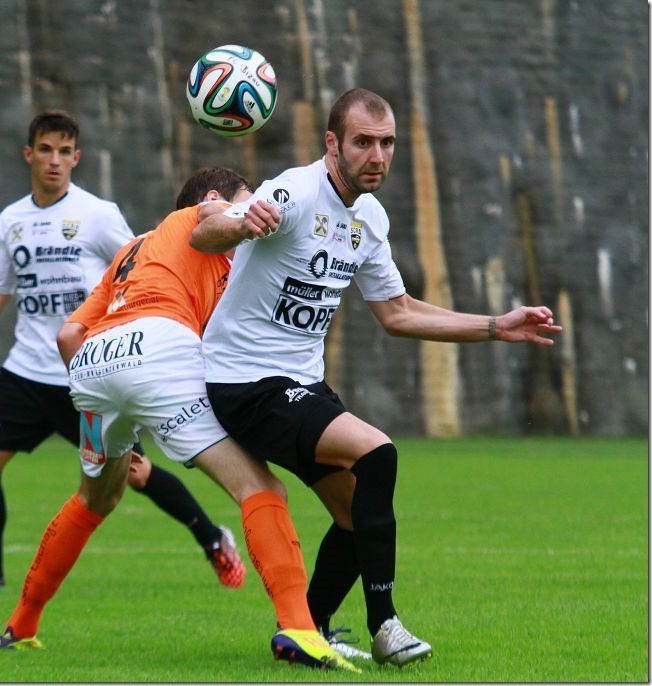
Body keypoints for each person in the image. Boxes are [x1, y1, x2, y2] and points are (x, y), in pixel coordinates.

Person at [191, 87, 563, 666]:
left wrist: (497, 326)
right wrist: (240, 225)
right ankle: (384, 624)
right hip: (245, 382)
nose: (378, 156)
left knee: (353, 513)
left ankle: (305, 633)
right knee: (378, 453)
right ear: (332, 143)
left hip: (298, 385)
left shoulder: (369, 217)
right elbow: (202, 232)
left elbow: (398, 313)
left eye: (387, 143)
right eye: (363, 142)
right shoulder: (294, 191)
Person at [0, 167, 360, 673]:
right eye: (246, 200)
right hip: (161, 349)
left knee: (95, 499)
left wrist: (110, 403)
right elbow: (218, 220)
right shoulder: (204, 220)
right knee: (261, 489)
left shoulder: (132, 250)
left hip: (94, 362)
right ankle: (299, 630)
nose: (252, 211)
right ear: (213, 200)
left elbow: (68, 335)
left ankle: (19, 628)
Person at [0, 111, 245, 592]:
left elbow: (145, 260)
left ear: (76, 158)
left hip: (90, 367)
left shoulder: (97, 214)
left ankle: (212, 538)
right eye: (45, 150)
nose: (54, 161)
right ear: (29, 154)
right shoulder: (11, 220)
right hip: (27, 370)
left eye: (64, 151)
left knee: (135, 473)